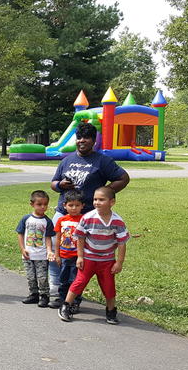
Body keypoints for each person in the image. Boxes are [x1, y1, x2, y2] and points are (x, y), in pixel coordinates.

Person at [49, 122, 129, 302]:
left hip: (86, 217)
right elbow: (53, 183)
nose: (81, 141)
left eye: (86, 138)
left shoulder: (102, 161)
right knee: (58, 250)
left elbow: (123, 178)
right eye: (79, 138)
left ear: (94, 141)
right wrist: (60, 185)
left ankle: (74, 295)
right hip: (63, 213)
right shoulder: (67, 160)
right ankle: (56, 291)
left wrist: (104, 193)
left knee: (80, 256)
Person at [58, 186, 128, 325]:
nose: (97, 202)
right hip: (89, 258)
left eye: (101, 200)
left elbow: (122, 243)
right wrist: (80, 256)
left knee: (109, 286)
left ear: (111, 202)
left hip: (107, 260)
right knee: (79, 282)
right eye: (95, 199)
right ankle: (66, 305)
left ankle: (111, 310)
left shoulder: (117, 221)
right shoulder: (88, 217)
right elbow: (80, 237)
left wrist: (119, 263)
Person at [16, 190, 56, 307]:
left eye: (45, 204)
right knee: (30, 276)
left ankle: (44, 296)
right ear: (32, 204)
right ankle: (34, 294)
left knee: (42, 277)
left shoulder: (47, 221)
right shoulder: (26, 219)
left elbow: (48, 237)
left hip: (41, 255)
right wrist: (22, 249)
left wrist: (49, 251)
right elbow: (20, 234)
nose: (43, 207)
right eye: (39, 204)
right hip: (28, 254)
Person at [51, 190, 86, 311]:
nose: (74, 208)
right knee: (63, 279)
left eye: (77, 205)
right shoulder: (62, 220)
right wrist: (57, 255)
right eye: (71, 205)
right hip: (64, 255)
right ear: (64, 205)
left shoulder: (84, 220)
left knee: (75, 280)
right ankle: (62, 299)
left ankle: (75, 302)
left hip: (78, 256)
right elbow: (58, 238)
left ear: (83, 206)